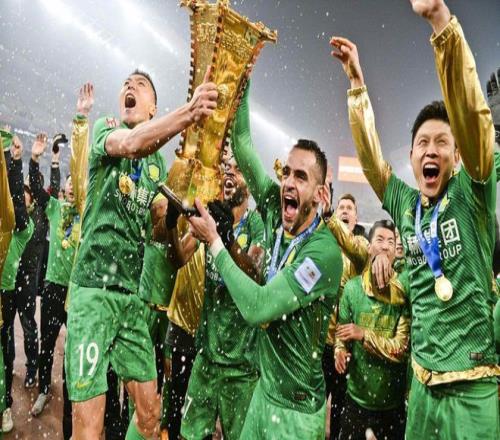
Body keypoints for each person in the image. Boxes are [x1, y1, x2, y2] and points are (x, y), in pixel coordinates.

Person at [330, 0, 499, 438]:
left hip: (474, 387)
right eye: (422, 143)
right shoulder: (406, 204)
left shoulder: (474, 189)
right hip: (420, 389)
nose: (431, 150)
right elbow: (373, 166)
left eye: (442, 142)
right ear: (411, 156)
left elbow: (474, 123)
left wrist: (441, 22)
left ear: (457, 156)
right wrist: (357, 86)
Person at [64, 67, 217, 440]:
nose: (130, 86)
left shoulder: (156, 166)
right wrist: (190, 112)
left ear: (153, 109)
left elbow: (157, 230)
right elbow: (132, 144)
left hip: (130, 301)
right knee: (90, 426)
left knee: (150, 416)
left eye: (141, 84)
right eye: (126, 84)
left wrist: (179, 217)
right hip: (94, 293)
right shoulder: (107, 130)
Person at [188, 84, 343, 439]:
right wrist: (242, 79)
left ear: (321, 195)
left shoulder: (323, 254)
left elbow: (258, 309)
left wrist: (215, 242)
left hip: (296, 413)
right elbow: (243, 144)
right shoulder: (276, 207)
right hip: (264, 394)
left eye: (301, 177)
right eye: (286, 172)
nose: (288, 182)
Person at [172, 149, 265, 440]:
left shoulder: (257, 224)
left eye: (238, 169)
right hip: (207, 358)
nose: (229, 172)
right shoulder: (212, 215)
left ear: (250, 183)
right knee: (189, 436)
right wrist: (171, 226)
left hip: (241, 367)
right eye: (227, 167)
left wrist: (225, 240)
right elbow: (179, 258)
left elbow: (255, 275)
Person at [29, 86, 93, 417]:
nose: (70, 185)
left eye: (73, 182)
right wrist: (41, 159)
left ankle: (73, 396)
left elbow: (80, 178)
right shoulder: (55, 209)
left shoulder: (84, 211)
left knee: (74, 347)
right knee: (48, 341)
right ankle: (43, 389)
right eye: (66, 182)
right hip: (54, 286)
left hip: (76, 290)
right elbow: (41, 190)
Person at [335, 220, 410, 440]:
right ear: (368, 247)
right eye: (380, 239)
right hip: (356, 401)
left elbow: (400, 350)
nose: (385, 246)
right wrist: (340, 351)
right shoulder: (352, 289)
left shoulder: (404, 293)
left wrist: (364, 334)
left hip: (392, 406)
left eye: (391, 242)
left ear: (396, 252)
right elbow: (342, 334)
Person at [322, 193, 369, 440]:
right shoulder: (322, 245)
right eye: (341, 207)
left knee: (340, 413)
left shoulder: (360, 245)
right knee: (314, 409)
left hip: (346, 347)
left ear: (356, 218)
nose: (345, 210)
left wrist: (330, 218)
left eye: (350, 208)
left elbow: (350, 244)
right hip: (320, 344)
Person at [0, 132, 35, 433]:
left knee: (6, 347)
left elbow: (14, 206)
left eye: (25, 198)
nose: (19, 200)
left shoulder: (24, 226)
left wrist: (13, 163)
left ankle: (6, 405)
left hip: (7, 291)